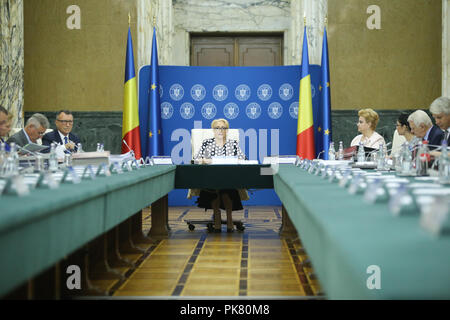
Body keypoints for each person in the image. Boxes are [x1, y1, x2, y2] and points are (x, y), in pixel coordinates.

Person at [193, 118, 248, 232]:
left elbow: (244, 159)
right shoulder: (207, 143)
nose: (220, 130)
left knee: (225, 189)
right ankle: (217, 216)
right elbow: (196, 160)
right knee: (216, 187)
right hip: (210, 176)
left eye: (223, 128)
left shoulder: (233, 144)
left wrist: (235, 160)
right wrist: (205, 161)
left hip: (229, 176)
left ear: (227, 131)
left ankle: (229, 218)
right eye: (217, 128)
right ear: (213, 130)